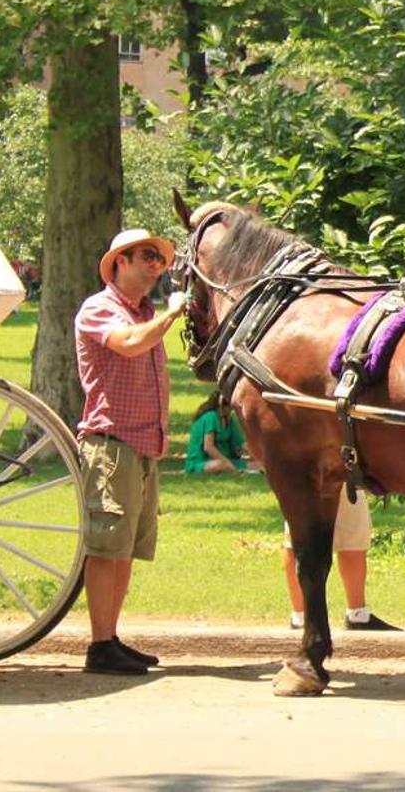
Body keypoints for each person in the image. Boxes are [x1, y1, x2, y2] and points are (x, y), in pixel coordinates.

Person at [73, 228, 186, 676]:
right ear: (119, 261)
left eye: (159, 257)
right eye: (146, 255)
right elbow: (129, 344)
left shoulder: (143, 312)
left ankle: (111, 639)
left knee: (124, 550)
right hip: (110, 444)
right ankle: (100, 645)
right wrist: (170, 316)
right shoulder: (100, 309)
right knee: (105, 548)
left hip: (141, 447)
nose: (156, 264)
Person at [283, 486, 401, 632]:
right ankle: (302, 616)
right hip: (305, 472)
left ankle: (357, 615)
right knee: (300, 540)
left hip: (346, 470)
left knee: (354, 535)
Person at [184, 398, 249, 474]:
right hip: (202, 461)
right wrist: (227, 463)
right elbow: (208, 447)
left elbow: (242, 444)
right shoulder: (211, 417)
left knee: (253, 465)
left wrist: (260, 458)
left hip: (226, 460)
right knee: (219, 465)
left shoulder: (229, 420)